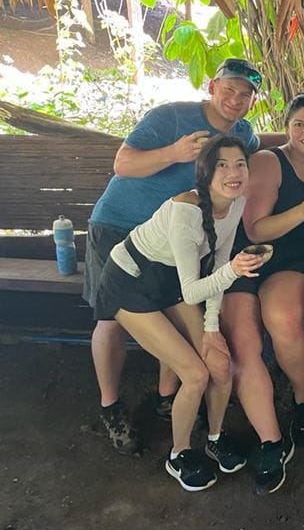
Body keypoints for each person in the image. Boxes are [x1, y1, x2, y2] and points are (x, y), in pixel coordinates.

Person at [83, 58, 270, 454]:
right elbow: (123, 163)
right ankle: (111, 405)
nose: (236, 98)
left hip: (179, 245)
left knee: (177, 313)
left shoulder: (245, 137)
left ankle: (168, 396)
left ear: (253, 100)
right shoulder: (170, 117)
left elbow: (242, 170)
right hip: (121, 228)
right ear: (211, 86)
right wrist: (175, 152)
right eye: (229, 88)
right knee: (112, 322)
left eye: (246, 93)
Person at [93, 136, 265, 491]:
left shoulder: (235, 204)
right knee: (196, 374)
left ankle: (215, 438)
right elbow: (200, 285)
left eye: (240, 164)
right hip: (132, 282)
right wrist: (234, 269)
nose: (233, 173)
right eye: (222, 165)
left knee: (221, 363)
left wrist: (212, 327)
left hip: (170, 281)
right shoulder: (185, 211)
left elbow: (218, 265)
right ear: (205, 173)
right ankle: (180, 455)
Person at [220, 90, 304, 494]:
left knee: (284, 318)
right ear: (287, 128)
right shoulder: (270, 162)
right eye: (299, 124)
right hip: (248, 256)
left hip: (294, 261)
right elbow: (255, 229)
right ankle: (263, 435)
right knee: (242, 338)